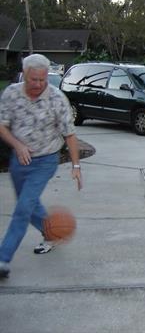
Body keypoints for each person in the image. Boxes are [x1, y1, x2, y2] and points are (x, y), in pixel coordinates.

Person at [0, 54, 82, 278]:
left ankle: (3, 259)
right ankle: (50, 233)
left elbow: (70, 134)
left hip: (46, 160)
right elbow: (2, 126)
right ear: (24, 75)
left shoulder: (56, 99)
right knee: (29, 204)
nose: (38, 85)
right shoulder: (11, 94)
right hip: (20, 160)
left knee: (22, 209)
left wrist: (76, 166)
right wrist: (17, 145)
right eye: (33, 80)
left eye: (42, 80)